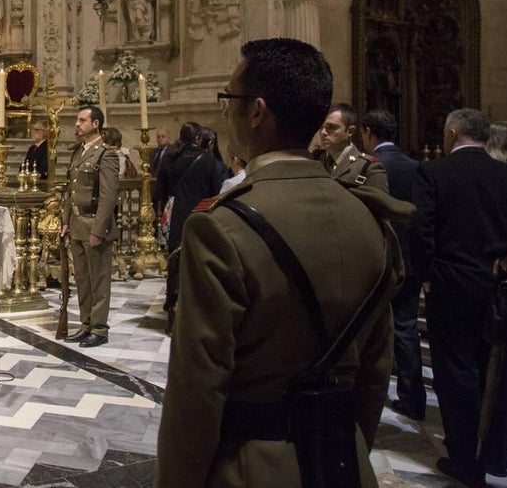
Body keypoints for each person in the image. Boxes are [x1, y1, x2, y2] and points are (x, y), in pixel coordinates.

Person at [156, 38, 404, 488]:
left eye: (228, 99)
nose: (224, 113)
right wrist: (348, 449)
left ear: (256, 111)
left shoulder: (222, 228)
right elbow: (375, 372)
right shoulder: (370, 218)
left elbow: (197, 392)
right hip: (343, 461)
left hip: (253, 467)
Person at [413, 108, 507, 486]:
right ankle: (490, 454)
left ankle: (463, 457)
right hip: (501, 290)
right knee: (495, 376)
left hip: (451, 288)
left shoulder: (434, 173)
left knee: (455, 373)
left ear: (453, 133)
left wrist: (424, 278)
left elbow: (422, 233)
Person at [359, 109, 425, 421]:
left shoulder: (368, 166)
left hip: (379, 257)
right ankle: (413, 396)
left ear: (368, 131)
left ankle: (373, 390)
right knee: (406, 327)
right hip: (410, 257)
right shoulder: (416, 166)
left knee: (373, 328)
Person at [59, 106, 119, 348]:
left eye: (82, 120)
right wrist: (64, 221)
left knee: (99, 279)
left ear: (96, 124)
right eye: (77, 120)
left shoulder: (106, 154)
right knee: (83, 279)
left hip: (94, 223)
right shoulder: (79, 152)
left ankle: (100, 328)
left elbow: (108, 196)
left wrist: (98, 229)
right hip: (76, 224)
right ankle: (86, 324)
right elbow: (70, 191)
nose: (77, 124)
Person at [156, 121, 225, 320]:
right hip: (199, 215)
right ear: (197, 138)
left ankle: (171, 307)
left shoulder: (169, 157)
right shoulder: (207, 160)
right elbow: (215, 192)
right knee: (196, 262)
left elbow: (160, 189)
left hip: (175, 213)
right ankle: (192, 310)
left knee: (174, 262)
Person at [317, 102, 389, 191]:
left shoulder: (367, 168)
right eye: (321, 127)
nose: (323, 132)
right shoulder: (315, 161)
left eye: (331, 127)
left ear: (350, 131)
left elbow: (378, 203)